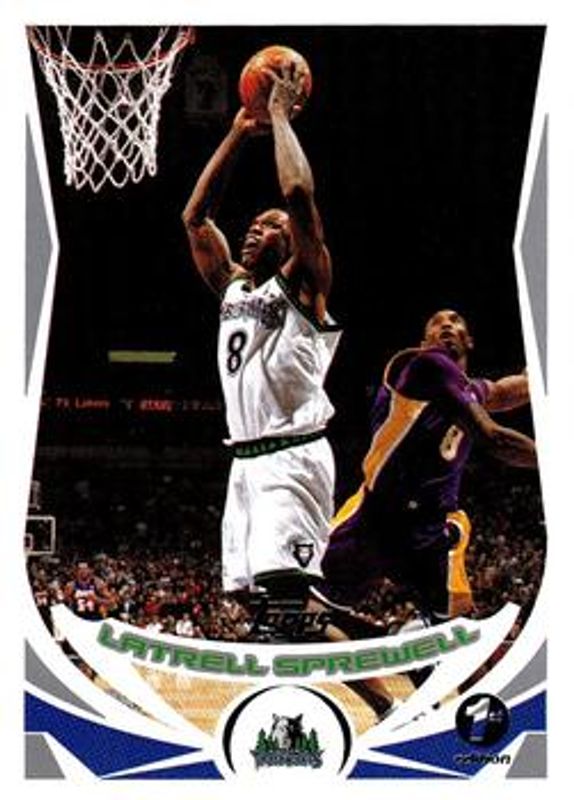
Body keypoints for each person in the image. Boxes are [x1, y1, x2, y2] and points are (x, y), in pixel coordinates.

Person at [181, 63, 341, 607]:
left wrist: (279, 117)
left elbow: (297, 193)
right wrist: (236, 134)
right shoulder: (232, 286)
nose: (255, 228)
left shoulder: (305, 282)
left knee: (287, 599)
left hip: (293, 454)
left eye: (270, 226)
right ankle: (350, 636)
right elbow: (195, 219)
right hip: (246, 461)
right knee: (253, 600)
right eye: (252, 224)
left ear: (293, 241)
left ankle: (334, 642)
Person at [312, 309, 535, 626]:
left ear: (469, 341)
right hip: (379, 517)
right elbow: (494, 439)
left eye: (455, 321)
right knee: (315, 607)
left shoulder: (469, 390)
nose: (446, 325)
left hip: (429, 526)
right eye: (436, 322)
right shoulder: (424, 366)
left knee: (454, 625)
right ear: (423, 343)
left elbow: (502, 392)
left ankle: (405, 635)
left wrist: (537, 373)